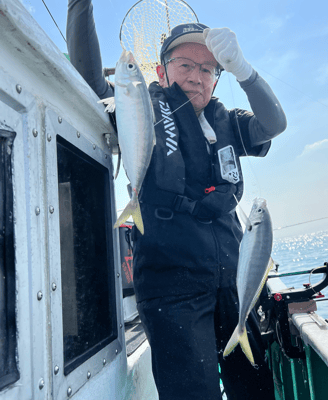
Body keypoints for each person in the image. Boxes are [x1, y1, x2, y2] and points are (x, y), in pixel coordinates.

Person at [67, 1, 287, 399]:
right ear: (161, 71)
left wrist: (244, 70)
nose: (196, 77)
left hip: (233, 281)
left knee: (256, 391)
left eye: (208, 69)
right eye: (185, 64)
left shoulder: (228, 121)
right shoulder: (140, 108)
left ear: (216, 79)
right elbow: (92, 83)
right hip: (173, 288)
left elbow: (275, 124)